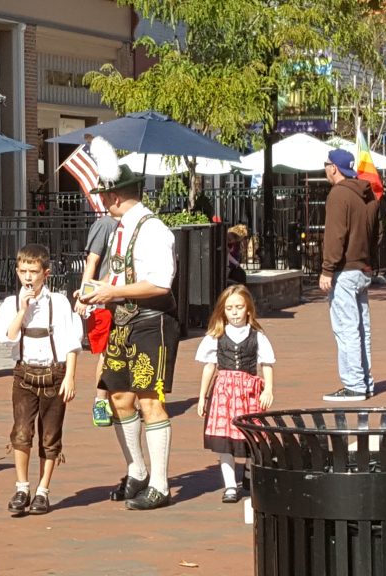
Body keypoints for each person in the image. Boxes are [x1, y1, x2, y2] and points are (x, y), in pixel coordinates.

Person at [81, 164, 180, 511]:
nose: (102, 201)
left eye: (104, 195)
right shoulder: (121, 228)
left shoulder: (154, 230)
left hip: (152, 321)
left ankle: (160, 484)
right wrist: (94, 292)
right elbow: (117, 274)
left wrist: (112, 291)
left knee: (150, 400)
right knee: (119, 397)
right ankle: (137, 470)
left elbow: (160, 284)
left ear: (115, 195)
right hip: (123, 319)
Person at [0, 243, 82, 515]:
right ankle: (22, 487)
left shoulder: (59, 302)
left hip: (54, 374)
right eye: (23, 271)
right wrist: (22, 310)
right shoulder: (11, 303)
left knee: (50, 435)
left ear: (46, 272)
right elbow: (7, 337)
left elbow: (71, 342)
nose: (28, 277)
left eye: (33, 271)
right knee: (21, 432)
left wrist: (70, 376)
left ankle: (43, 490)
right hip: (24, 373)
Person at [195, 285, 275, 503]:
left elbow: (267, 363)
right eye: (230, 308)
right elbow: (209, 367)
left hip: (248, 391)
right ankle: (230, 485)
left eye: (239, 307)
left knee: (252, 436)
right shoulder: (216, 336)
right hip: (223, 394)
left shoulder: (257, 336)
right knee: (224, 440)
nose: (235, 312)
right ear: (223, 311)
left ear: (248, 309)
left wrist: (268, 388)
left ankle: (249, 471)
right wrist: (202, 396)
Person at [320, 149, 381, 401]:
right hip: (363, 268)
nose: (324, 169)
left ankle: (354, 384)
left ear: (334, 167)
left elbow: (335, 235)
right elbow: (377, 234)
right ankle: (365, 381)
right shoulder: (368, 195)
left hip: (345, 271)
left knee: (346, 329)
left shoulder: (339, 194)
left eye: (325, 165)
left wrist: (327, 269)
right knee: (361, 328)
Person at [75, 212, 120, 427]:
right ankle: (101, 401)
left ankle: (123, 399)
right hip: (105, 299)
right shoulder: (105, 224)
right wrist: (85, 295)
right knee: (107, 352)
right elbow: (92, 261)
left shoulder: (139, 224)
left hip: (130, 298)